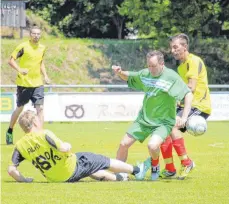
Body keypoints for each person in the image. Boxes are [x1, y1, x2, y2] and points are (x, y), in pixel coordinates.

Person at [139, 34, 212, 180]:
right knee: (164, 129)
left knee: (172, 127)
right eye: (171, 47)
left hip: (199, 106)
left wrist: (167, 88)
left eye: (175, 47)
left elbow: (190, 88)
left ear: (184, 47)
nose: (172, 50)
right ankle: (170, 168)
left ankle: (187, 162)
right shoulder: (180, 68)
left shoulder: (194, 61)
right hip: (186, 105)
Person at [112, 50, 193, 181]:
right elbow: (130, 76)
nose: (151, 69)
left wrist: (184, 117)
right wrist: (120, 72)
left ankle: (155, 164)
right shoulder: (146, 74)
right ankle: (120, 173)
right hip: (143, 120)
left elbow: (188, 94)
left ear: (162, 64)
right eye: (149, 65)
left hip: (163, 123)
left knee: (152, 146)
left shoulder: (171, 77)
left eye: (153, 66)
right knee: (123, 144)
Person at [8, 110, 141, 183]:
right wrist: (68, 144)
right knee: (103, 161)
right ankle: (136, 170)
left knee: (89, 167)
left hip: (55, 179)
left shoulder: (20, 145)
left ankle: (119, 178)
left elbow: (11, 170)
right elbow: (63, 148)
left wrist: (25, 180)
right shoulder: (44, 134)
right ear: (35, 121)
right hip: (71, 168)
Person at [6, 26, 50, 145]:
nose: (36, 36)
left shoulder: (42, 48)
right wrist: (19, 69)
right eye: (34, 33)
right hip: (24, 83)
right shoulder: (23, 47)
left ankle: (40, 135)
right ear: (30, 34)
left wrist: (45, 76)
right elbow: (10, 61)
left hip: (38, 84)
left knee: (40, 109)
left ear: (40, 35)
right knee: (20, 108)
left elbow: (41, 63)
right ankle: (10, 131)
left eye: (38, 34)